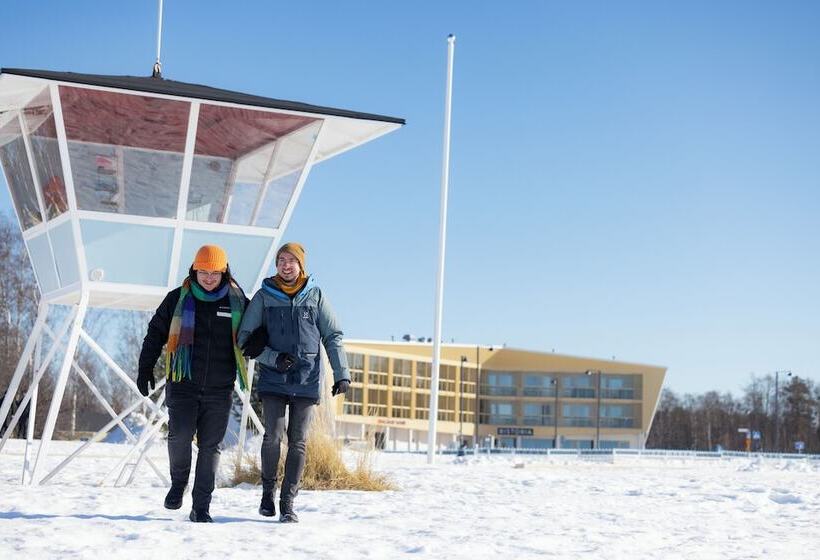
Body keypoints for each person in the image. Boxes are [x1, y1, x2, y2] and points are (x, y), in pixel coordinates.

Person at [238, 242, 351, 523]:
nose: (286, 265)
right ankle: (267, 492)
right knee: (272, 436)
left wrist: (342, 374)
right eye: (281, 260)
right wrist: (272, 358)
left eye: (291, 260)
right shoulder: (264, 296)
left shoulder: (315, 295)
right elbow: (244, 339)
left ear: (301, 265)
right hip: (274, 377)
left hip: (307, 377)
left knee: (298, 442)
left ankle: (288, 502)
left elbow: (332, 335)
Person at [137, 244, 250, 523]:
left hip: (220, 387)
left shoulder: (237, 301)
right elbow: (155, 334)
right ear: (194, 270)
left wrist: (257, 341)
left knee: (211, 447)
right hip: (183, 382)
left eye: (215, 272)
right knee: (179, 436)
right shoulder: (177, 299)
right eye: (203, 272)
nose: (209, 278)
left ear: (224, 272)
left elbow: (254, 332)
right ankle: (178, 484)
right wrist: (145, 367)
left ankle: (201, 506)